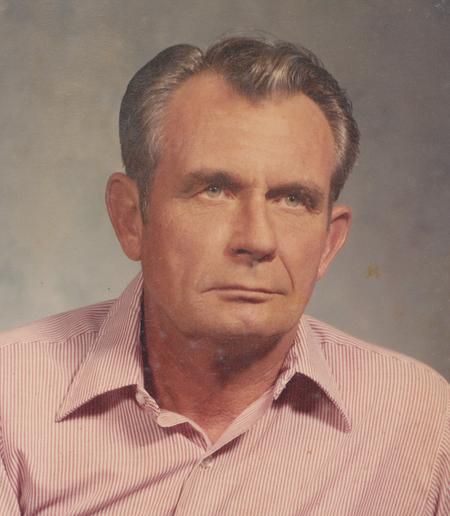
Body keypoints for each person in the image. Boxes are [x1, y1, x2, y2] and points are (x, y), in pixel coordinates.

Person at [0, 36, 448, 515]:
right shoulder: (11, 398)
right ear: (130, 218)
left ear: (329, 242)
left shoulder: (420, 421)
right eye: (214, 190)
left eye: (293, 199)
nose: (257, 239)